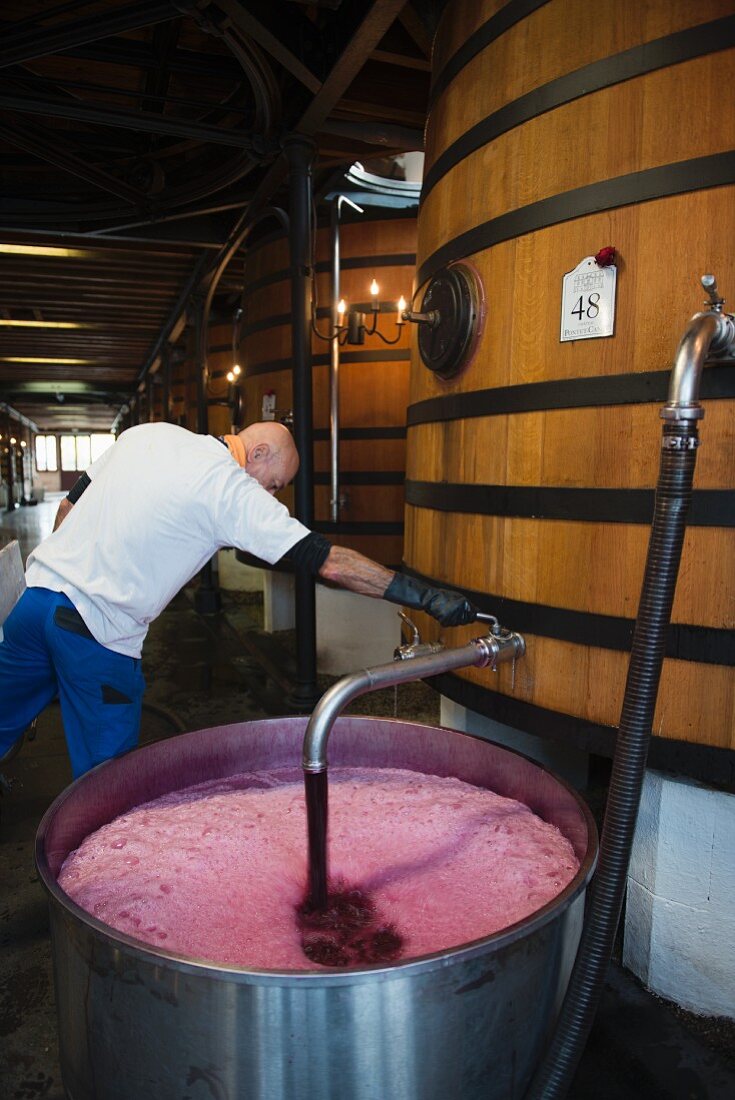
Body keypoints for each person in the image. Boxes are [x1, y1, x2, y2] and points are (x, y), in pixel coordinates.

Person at [0, 421, 478, 778]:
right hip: (96, 633)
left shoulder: (147, 433)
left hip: (34, 601)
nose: (272, 495)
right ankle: (93, 903)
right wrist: (424, 596)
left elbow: (68, 505)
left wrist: (67, 577)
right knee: (107, 785)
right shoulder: (227, 487)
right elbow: (328, 561)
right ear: (259, 452)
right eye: (274, 484)